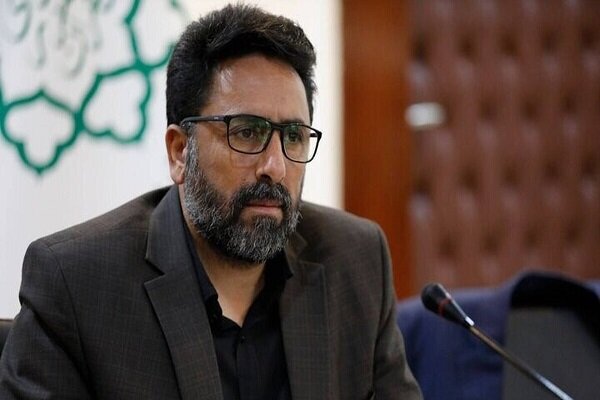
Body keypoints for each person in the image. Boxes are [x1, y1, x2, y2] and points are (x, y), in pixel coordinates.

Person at [0, 4, 422, 399]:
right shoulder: (77, 285)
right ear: (179, 151)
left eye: (293, 136)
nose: (275, 167)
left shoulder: (356, 260)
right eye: (247, 132)